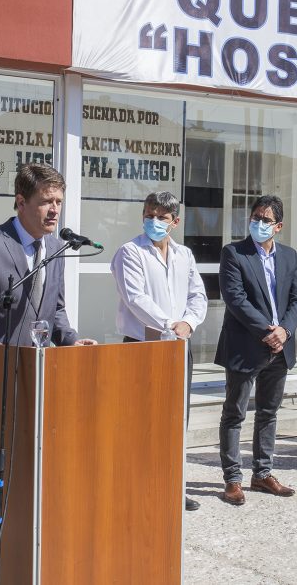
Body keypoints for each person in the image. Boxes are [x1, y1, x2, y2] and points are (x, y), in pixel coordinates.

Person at [110, 190, 207, 510]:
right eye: (149, 215)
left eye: (161, 217)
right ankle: (137, 491)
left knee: (176, 421)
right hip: (143, 346)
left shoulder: (185, 255)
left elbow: (198, 297)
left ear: (175, 222)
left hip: (179, 347)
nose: (153, 221)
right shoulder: (129, 252)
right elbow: (136, 299)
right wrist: (170, 323)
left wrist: (188, 324)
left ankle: (172, 488)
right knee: (140, 423)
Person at [0, 163, 97, 348]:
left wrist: (71, 341)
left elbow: (54, 310)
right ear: (21, 202)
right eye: (46, 201)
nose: (55, 210)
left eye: (59, 201)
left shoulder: (56, 248)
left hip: (40, 367)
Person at [216, 196, 297, 506]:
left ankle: (262, 473)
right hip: (245, 345)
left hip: (279, 347)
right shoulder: (234, 253)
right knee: (234, 413)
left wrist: (285, 331)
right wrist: (268, 332)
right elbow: (235, 299)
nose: (259, 224)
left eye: (266, 220)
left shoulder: (289, 257)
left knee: (268, 412)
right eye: (256, 217)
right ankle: (232, 480)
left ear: (278, 227)